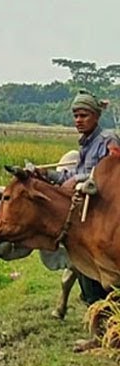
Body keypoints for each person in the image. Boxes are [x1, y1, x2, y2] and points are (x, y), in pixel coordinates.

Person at [38, 90, 120, 348]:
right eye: (75, 115)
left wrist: (82, 179)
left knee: (104, 271)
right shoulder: (85, 143)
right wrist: (47, 176)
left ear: (96, 116)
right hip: (86, 216)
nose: (79, 120)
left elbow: (111, 172)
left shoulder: (109, 140)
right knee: (82, 266)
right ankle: (99, 331)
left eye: (84, 115)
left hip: (105, 214)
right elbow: (75, 175)